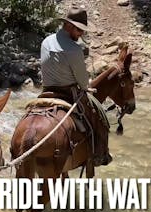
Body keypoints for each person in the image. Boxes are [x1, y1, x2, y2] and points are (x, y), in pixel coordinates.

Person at [40, 7, 111, 166]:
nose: (81, 35)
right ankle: (99, 155)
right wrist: (86, 86)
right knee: (99, 118)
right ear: (70, 26)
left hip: (45, 91)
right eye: (80, 30)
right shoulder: (74, 49)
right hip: (69, 94)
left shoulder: (46, 41)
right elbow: (83, 83)